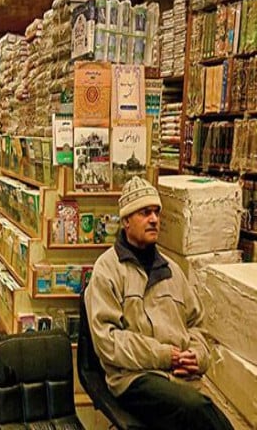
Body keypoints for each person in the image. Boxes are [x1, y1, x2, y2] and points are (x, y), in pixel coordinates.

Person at [85, 176, 233, 429]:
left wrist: (197, 356)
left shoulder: (173, 271)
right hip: (134, 377)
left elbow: (197, 326)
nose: (154, 219)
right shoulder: (107, 270)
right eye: (144, 212)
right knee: (196, 410)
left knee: (207, 411)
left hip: (180, 375)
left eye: (156, 212)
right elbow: (108, 342)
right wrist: (165, 356)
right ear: (126, 220)